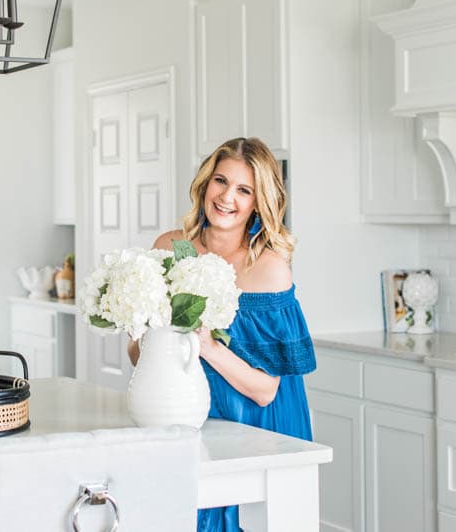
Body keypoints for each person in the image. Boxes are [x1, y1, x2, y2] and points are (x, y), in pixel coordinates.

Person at [127, 136, 317, 532]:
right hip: (188, 419)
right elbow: (138, 356)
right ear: (204, 184)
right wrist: (147, 334)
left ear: (258, 202)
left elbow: (266, 390)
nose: (227, 197)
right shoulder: (170, 247)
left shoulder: (268, 268)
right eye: (220, 181)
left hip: (259, 429)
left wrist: (207, 346)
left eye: (244, 190)